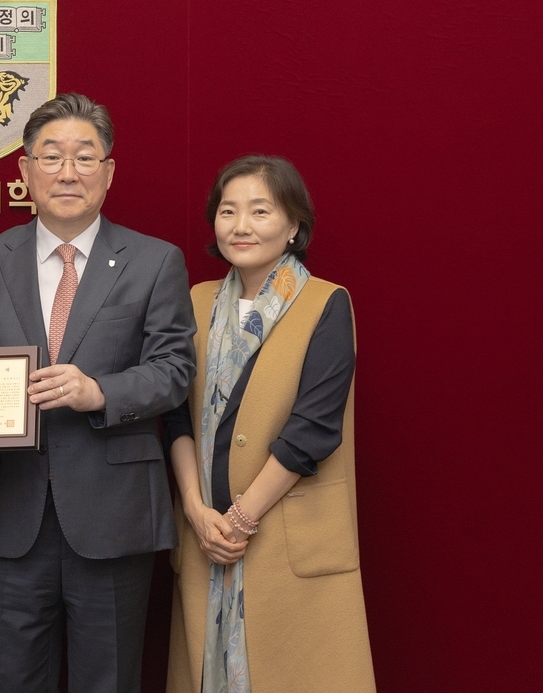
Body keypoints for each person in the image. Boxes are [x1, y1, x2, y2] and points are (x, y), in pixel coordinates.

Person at [0, 93, 196, 693]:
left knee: (108, 680)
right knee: (12, 678)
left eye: (85, 157)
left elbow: (175, 367)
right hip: (8, 510)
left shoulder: (155, 262)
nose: (67, 171)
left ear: (109, 171)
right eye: (50, 156)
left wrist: (98, 391)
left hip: (114, 512)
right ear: (24, 170)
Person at [165, 154, 376, 693]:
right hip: (203, 537)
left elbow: (314, 429)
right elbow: (174, 415)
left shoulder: (326, 303)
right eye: (228, 211)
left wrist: (239, 520)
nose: (241, 226)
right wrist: (194, 509)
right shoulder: (196, 301)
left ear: (293, 226)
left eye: (261, 211)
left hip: (279, 536)